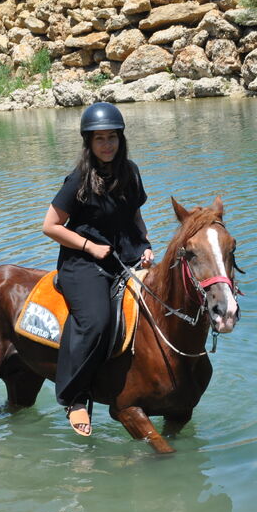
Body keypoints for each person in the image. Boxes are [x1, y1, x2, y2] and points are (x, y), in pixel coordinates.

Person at [42, 102, 154, 437]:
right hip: (84, 262)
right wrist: (89, 246)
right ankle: (75, 397)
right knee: (96, 321)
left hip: (126, 257)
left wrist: (146, 245)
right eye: (99, 139)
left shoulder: (130, 171)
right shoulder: (79, 179)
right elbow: (50, 226)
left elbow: (134, 215)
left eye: (112, 138)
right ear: (88, 143)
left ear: (121, 139)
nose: (107, 145)